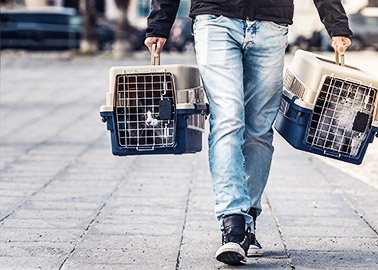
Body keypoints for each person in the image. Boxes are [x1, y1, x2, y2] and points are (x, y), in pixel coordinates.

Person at [145, 0, 352, 265]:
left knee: (259, 129)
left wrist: (336, 24)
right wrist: (159, 24)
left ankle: (247, 221)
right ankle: (233, 223)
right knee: (228, 119)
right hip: (215, 18)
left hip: (271, 23)